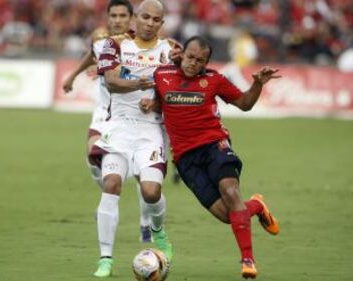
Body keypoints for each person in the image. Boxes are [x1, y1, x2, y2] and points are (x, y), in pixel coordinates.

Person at [140, 36, 281, 279]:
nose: (193, 63)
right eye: (190, 57)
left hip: (215, 145)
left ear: (206, 62)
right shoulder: (161, 74)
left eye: (200, 60)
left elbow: (245, 104)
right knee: (228, 216)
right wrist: (149, 105)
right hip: (185, 158)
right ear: (182, 53)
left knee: (230, 192)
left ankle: (248, 261)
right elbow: (160, 103)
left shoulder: (214, 80)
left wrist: (258, 84)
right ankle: (257, 205)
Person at [89, 0, 181, 277]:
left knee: (151, 192)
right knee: (112, 184)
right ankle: (105, 258)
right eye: (145, 17)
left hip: (151, 129)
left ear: (161, 24)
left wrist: (155, 103)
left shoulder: (171, 51)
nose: (150, 23)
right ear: (135, 19)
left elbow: (178, 90)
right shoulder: (113, 46)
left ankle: (158, 230)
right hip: (118, 128)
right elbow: (112, 83)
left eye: (156, 19)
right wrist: (142, 84)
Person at [62, 0, 153, 244]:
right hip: (104, 115)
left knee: (143, 175)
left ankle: (145, 222)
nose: (118, 20)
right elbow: (92, 55)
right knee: (93, 157)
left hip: (134, 116)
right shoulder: (101, 40)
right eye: (114, 15)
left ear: (132, 18)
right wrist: (73, 75)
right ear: (107, 17)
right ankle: (108, 199)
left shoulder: (140, 43)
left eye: (123, 16)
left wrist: (111, 72)